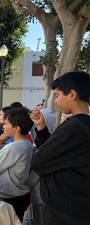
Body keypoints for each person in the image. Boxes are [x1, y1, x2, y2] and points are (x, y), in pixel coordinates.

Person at [30, 72, 90, 225]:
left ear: (72, 94)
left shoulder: (72, 127)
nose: (55, 102)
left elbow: (38, 161)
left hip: (66, 210)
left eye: (57, 96)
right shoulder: (84, 124)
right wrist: (42, 129)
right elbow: (57, 154)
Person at [0, 107, 34, 222]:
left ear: (16, 128)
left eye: (6, 124)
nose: (3, 126)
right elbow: (2, 162)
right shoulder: (27, 144)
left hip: (8, 198)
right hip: (20, 196)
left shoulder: (14, 147)